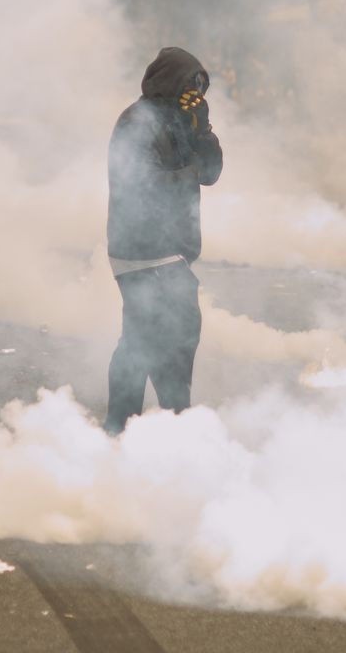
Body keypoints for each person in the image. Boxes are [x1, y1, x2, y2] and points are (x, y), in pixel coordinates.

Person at [103, 46, 223, 435]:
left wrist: (202, 129)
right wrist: (190, 170)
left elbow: (211, 173)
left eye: (201, 88)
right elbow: (143, 185)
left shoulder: (180, 121)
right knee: (169, 333)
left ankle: (126, 428)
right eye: (191, 86)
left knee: (146, 339)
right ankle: (166, 423)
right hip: (142, 250)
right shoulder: (137, 122)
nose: (196, 94)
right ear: (171, 83)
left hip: (170, 253)